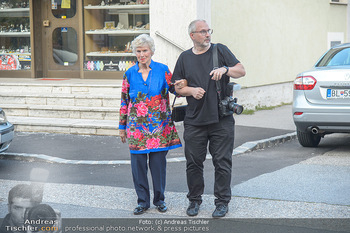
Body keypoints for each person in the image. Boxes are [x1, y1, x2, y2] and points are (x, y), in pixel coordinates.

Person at [172, 19, 246, 218]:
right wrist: (190, 90)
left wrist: (226, 70)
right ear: (192, 36)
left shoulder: (219, 50)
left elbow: (241, 70)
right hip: (194, 120)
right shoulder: (184, 58)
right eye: (202, 31)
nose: (207, 34)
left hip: (221, 120)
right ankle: (194, 201)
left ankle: (222, 202)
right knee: (193, 163)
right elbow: (177, 87)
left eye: (208, 31)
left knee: (222, 162)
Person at [119, 34, 183, 215]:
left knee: (158, 167)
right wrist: (122, 127)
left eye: (145, 50)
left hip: (159, 129)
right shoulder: (129, 73)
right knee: (138, 168)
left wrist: (183, 84)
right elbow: (124, 102)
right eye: (138, 51)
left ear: (152, 51)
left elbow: (175, 89)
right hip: (137, 129)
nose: (141, 54)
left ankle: (159, 200)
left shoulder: (163, 70)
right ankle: (142, 202)